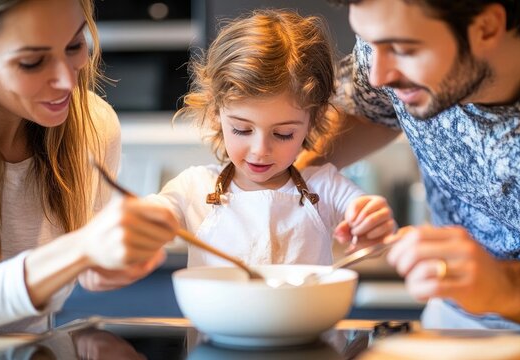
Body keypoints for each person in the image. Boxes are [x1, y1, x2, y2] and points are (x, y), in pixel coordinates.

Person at [299, 0, 520, 330]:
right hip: (448, 317)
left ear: (487, 28)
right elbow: (366, 110)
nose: (379, 75)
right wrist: (270, 186)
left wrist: (501, 284)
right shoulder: (388, 56)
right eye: (369, 43)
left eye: (403, 49)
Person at [0, 0, 179, 336]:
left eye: (75, 45)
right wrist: (78, 251)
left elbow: (73, 274)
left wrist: (98, 265)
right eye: (32, 62)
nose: (66, 81)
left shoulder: (95, 126)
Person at [145, 9, 395, 268]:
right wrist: (140, 221)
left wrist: (370, 218)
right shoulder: (193, 188)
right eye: (242, 129)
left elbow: (365, 213)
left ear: (314, 120)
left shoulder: (325, 187)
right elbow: (153, 216)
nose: (260, 150)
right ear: (216, 113)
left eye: (283, 134)